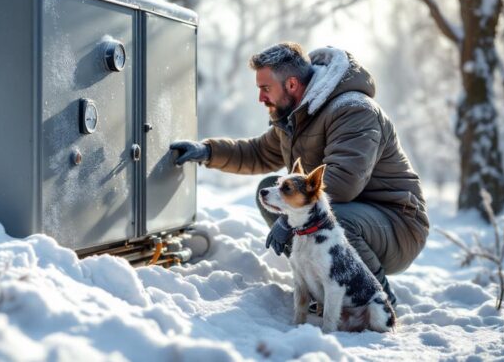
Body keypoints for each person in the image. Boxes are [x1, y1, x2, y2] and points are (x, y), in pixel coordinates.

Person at [170, 42, 429, 305]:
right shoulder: (297, 115)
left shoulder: (354, 110)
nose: (261, 98)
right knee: (273, 190)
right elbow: (259, 152)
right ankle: (323, 288)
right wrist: (207, 151)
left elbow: (342, 182)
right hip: (356, 213)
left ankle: (376, 301)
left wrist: (288, 220)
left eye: (265, 88)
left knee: (325, 215)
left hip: (396, 225)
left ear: (292, 84)